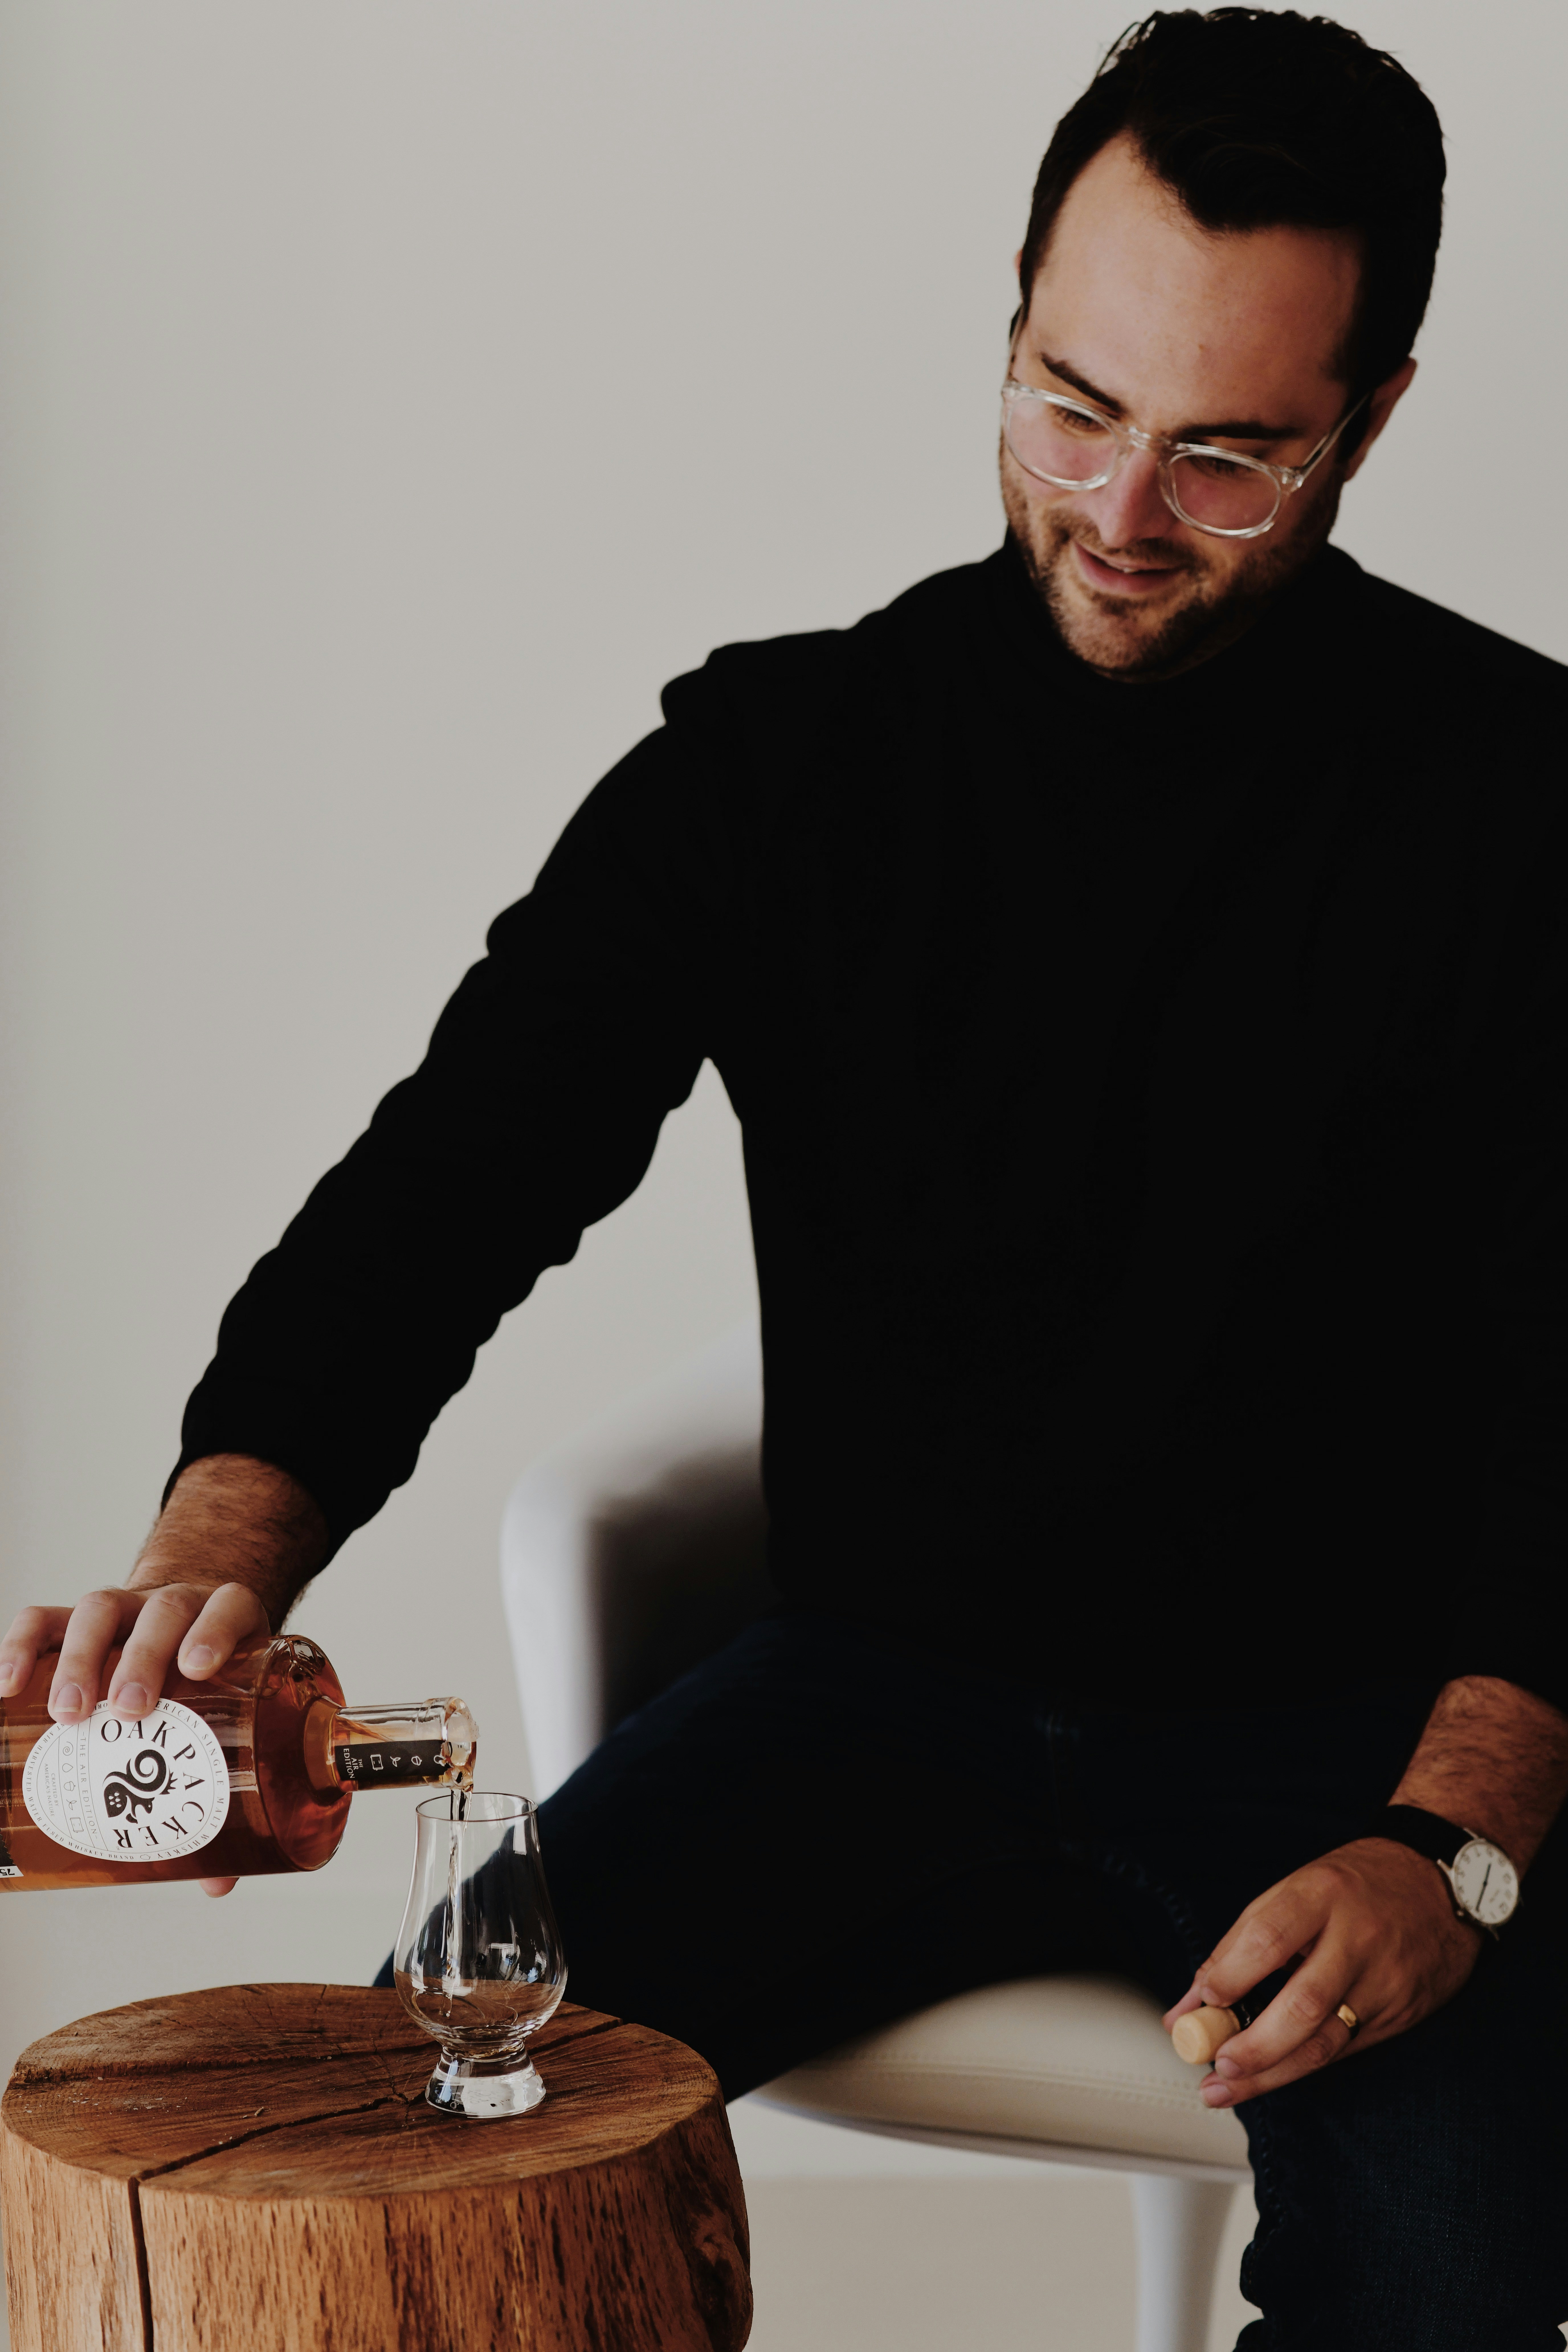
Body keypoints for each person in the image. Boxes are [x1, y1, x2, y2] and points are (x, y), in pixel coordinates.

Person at [5, 9, 1567, 2341]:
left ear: (1373, 418)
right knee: (412, 2163)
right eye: (1069, 404)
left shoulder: (1516, 802)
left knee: (1451, 2277)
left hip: (1339, 1734)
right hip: (862, 1690)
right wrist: (211, 1569)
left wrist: (1456, 1845)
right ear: (1014, 320)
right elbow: (453, 1179)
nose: (1120, 514)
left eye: (1227, 458)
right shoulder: (778, 762)